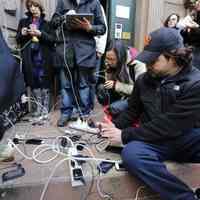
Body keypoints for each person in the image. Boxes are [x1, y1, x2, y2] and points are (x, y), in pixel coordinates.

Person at [99, 27, 200, 200]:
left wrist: (124, 136)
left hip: (186, 139)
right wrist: (112, 127)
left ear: (174, 57)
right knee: (132, 154)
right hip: (156, 141)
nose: (147, 65)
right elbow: (132, 111)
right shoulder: (143, 80)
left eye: (153, 60)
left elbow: (170, 125)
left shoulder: (195, 83)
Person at [51, 0, 106, 127]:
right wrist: (64, 17)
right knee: (65, 85)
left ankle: (84, 115)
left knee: (84, 85)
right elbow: (53, 23)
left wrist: (90, 28)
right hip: (65, 49)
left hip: (85, 51)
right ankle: (66, 114)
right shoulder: (63, 2)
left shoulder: (94, 3)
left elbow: (102, 27)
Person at [16, 0, 55, 117]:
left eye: (35, 6)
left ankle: (45, 108)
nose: (32, 8)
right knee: (33, 82)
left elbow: (53, 40)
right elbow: (18, 40)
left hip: (44, 56)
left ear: (40, 7)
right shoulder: (23, 22)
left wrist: (40, 34)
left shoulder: (47, 23)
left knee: (44, 82)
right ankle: (37, 108)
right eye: (30, 6)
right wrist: (22, 33)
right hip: (30, 56)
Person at [97, 39, 146, 118]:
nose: (108, 62)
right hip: (121, 93)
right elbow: (109, 84)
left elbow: (141, 90)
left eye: (112, 59)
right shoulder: (109, 64)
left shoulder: (138, 63)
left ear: (121, 57)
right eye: (107, 58)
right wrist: (109, 73)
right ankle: (110, 111)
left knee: (114, 108)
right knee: (101, 88)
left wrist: (117, 85)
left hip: (134, 97)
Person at [180, 0, 200, 69]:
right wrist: (184, 30)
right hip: (190, 49)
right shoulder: (193, 16)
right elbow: (186, 39)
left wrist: (196, 28)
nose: (197, 3)